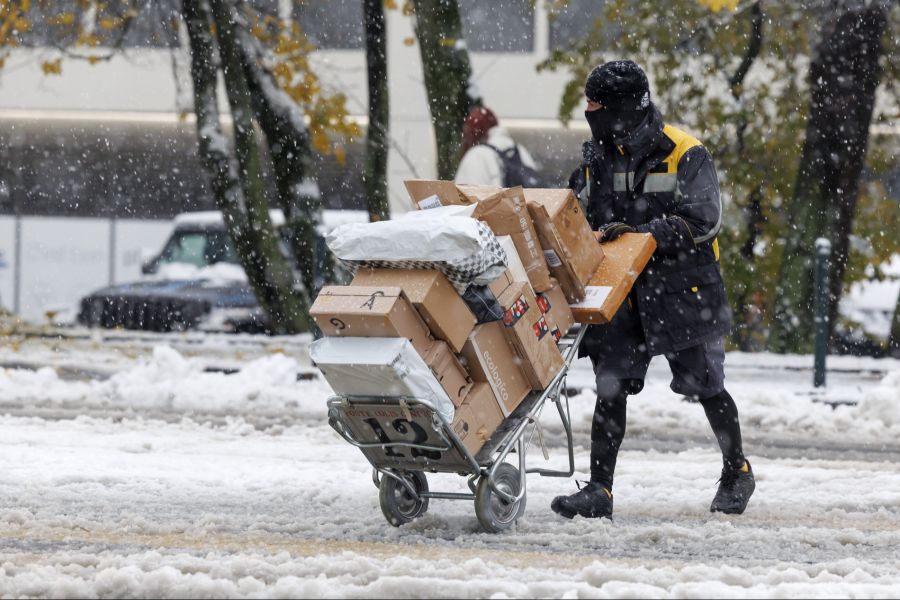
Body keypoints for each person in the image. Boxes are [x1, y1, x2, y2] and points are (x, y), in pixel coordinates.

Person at [551, 60, 755, 520]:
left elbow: (704, 220)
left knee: (705, 384)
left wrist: (644, 233)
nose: (589, 114)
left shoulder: (685, 151)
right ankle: (599, 490)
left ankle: (737, 469)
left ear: (625, 107)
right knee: (611, 385)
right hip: (623, 291)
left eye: (597, 106)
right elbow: (575, 218)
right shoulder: (596, 159)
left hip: (684, 290)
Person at [455, 106, 544, 188]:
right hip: (521, 205)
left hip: (494, 205)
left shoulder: (475, 155)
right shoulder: (519, 150)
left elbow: (463, 199)